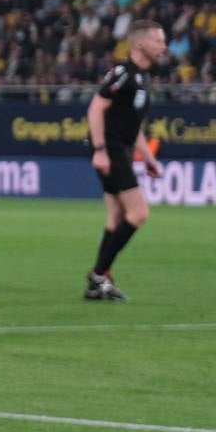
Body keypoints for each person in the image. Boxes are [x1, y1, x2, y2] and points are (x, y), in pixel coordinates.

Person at [82, 20, 166, 301]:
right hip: (111, 149)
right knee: (139, 212)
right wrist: (100, 149)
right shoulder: (123, 73)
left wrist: (149, 157)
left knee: (117, 216)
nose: (163, 46)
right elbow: (95, 108)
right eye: (159, 41)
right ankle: (98, 275)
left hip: (121, 148)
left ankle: (99, 280)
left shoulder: (143, 77)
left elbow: (133, 126)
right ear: (140, 43)